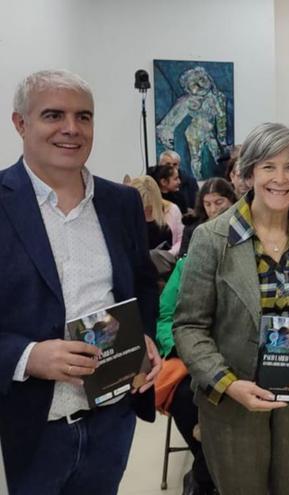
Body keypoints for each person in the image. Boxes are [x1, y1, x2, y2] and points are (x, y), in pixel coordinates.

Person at [0, 69, 161, 494]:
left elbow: (142, 284)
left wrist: (146, 337)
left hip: (112, 416)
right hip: (32, 425)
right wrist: (27, 356)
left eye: (83, 117)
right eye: (53, 115)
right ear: (20, 123)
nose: (71, 129)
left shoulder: (121, 202)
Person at [174, 122, 289, 495]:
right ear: (248, 173)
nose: (280, 178)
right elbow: (189, 326)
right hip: (234, 400)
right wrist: (228, 385)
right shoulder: (211, 238)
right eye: (268, 166)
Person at [155, 178, 235, 495]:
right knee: (187, 401)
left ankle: (205, 475)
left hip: (237, 356)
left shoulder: (253, 259)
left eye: (221, 203)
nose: (214, 210)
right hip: (191, 356)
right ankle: (205, 472)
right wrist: (179, 348)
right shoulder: (188, 262)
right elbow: (164, 315)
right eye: (208, 204)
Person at [179, 177, 237, 256]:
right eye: (208, 204)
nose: (213, 209)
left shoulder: (240, 224)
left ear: (231, 200)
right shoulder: (192, 228)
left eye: (219, 203)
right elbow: (183, 258)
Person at [158, 149, 198, 213]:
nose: (171, 167)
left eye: (175, 164)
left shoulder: (190, 181)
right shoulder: (152, 183)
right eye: (167, 164)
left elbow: (197, 207)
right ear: (160, 165)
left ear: (179, 165)